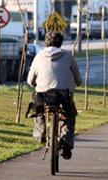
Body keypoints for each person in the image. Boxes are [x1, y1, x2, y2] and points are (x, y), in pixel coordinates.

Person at [27, 31, 82, 159]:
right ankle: (66, 141)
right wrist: (75, 83)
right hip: (64, 95)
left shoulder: (39, 56)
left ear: (46, 42)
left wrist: (36, 83)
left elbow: (30, 81)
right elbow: (78, 80)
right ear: (60, 43)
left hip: (44, 95)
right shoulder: (68, 56)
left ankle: (40, 133)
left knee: (38, 110)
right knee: (69, 114)